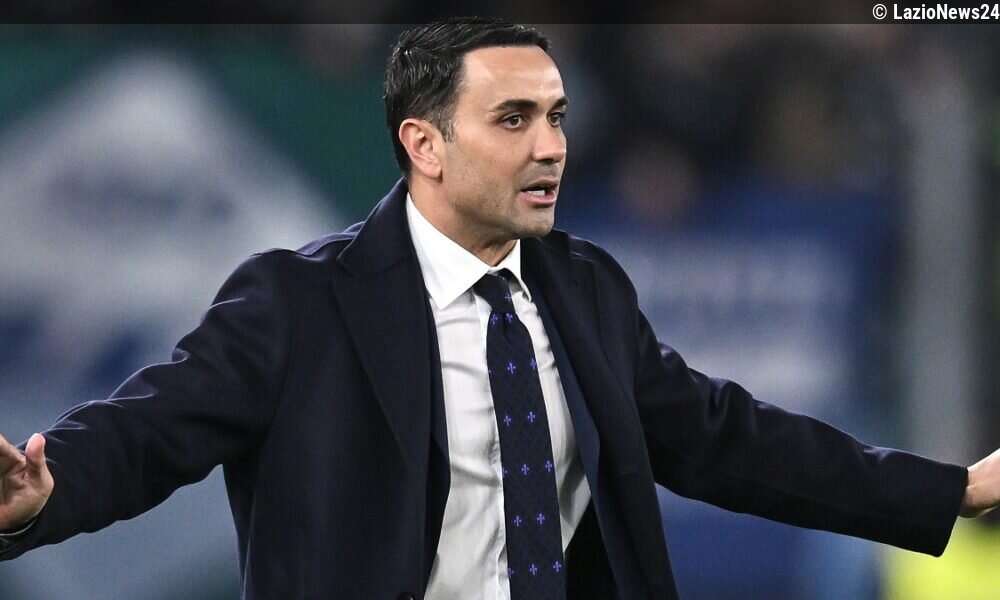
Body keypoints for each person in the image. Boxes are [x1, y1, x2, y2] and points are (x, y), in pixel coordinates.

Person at [1, 18, 999, 600]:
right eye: (513, 120)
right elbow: (153, 428)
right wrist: (50, 491)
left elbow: (726, 438)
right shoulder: (298, 301)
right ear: (425, 145)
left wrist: (940, 490)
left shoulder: (586, 289)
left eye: (556, 118)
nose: (550, 146)